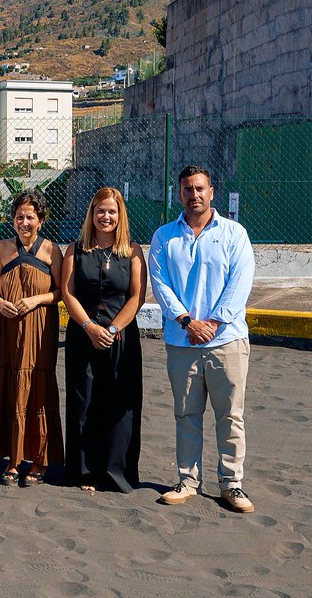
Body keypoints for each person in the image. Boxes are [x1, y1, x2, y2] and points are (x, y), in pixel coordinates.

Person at [149, 165, 256, 513]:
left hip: (227, 342)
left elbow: (239, 284)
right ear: (178, 194)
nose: (193, 195)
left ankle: (231, 484)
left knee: (230, 416)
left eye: (199, 188)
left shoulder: (234, 234)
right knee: (186, 414)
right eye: (186, 189)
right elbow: (161, 286)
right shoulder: (164, 237)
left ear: (212, 192)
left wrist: (211, 322)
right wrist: (187, 322)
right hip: (183, 342)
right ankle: (187, 480)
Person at [60, 187, 145, 494]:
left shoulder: (132, 251)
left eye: (112, 211)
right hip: (83, 335)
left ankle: (116, 473)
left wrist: (111, 330)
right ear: (91, 214)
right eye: (100, 211)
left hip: (120, 338)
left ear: (120, 215)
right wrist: (89, 327)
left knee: (120, 403)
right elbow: (68, 292)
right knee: (84, 403)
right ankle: (85, 472)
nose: (105, 217)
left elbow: (136, 296)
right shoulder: (75, 250)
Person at [0, 190, 64, 487]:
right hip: (8, 329)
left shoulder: (52, 251)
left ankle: (39, 461)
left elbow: (61, 293)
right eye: (19, 216)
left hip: (39, 328)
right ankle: (13, 460)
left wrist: (36, 300)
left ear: (40, 219)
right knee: (10, 387)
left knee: (37, 389)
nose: (24, 222)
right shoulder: (3, 248)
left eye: (30, 216)